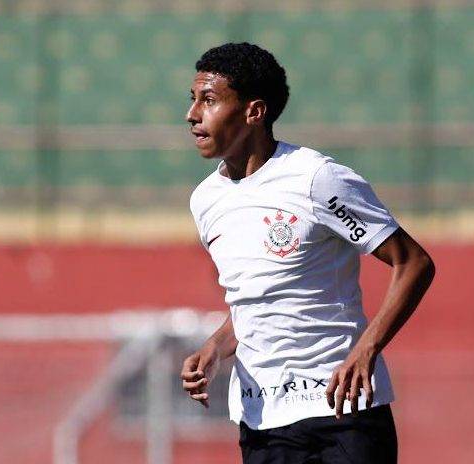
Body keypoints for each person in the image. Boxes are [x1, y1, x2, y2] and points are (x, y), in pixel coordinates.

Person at [178, 42, 436, 463]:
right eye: (193, 100)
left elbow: (413, 263)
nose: (192, 115)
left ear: (253, 112)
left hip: (342, 414)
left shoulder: (317, 179)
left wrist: (366, 351)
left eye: (209, 100)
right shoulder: (205, 200)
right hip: (262, 420)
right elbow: (257, 299)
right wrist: (214, 347)